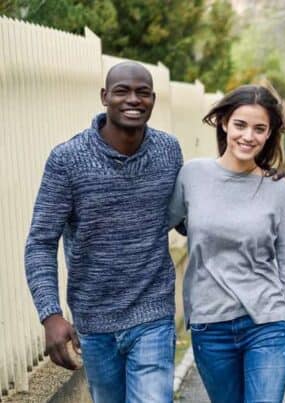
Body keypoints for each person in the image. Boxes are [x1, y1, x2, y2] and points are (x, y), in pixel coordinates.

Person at [24, 61, 182, 403]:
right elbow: (40, 241)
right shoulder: (68, 160)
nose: (133, 100)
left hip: (153, 310)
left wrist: (257, 179)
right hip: (94, 320)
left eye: (143, 92)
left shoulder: (169, 152)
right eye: (122, 91)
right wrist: (50, 314)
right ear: (104, 97)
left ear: (153, 99)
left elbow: (187, 214)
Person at [168, 84, 285, 402]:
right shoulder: (192, 176)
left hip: (268, 323)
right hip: (210, 325)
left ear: (270, 133)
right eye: (240, 125)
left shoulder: (279, 190)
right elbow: (161, 226)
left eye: (259, 129)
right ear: (224, 123)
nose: (248, 136)